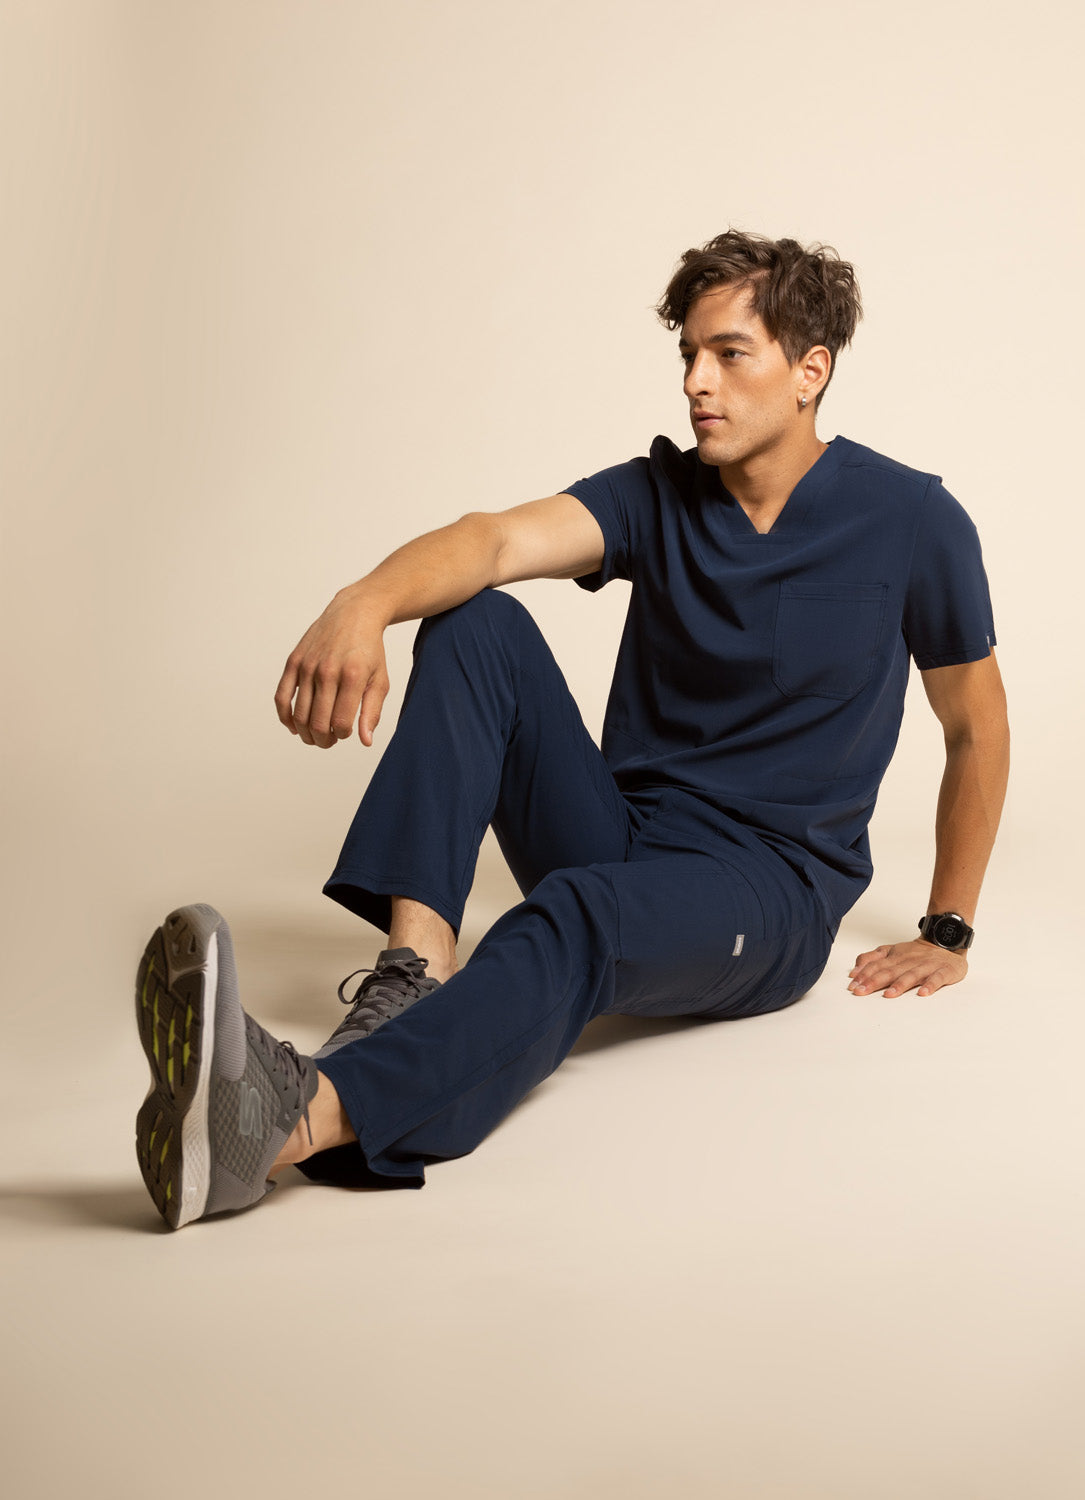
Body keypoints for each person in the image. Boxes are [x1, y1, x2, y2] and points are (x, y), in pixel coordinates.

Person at [134, 230, 1009, 1230]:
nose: (697, 382)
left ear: (810, 371)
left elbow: (976, 727)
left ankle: (287, 1122)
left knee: (580, 914)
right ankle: (415, 974)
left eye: (730, 354)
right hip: (621, 833)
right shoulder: (660, 493)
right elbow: (495, 539)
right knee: (474, 620)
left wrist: (947, 929)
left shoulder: (912, 520)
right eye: (689, 354)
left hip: (769, 889)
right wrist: (364, 601)